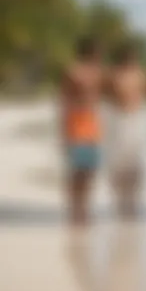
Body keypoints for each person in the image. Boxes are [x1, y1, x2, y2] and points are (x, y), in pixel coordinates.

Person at [60, 37, 105, 226]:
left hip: (92, 122)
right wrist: (64, 130)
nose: (99, 56)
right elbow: (64, 100)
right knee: (77, 170)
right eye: (97, 52)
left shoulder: (99, 73)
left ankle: (84, 208)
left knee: (90, 169)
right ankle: (74, 209)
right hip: (77, 121)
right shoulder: (74, 72)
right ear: (89, 52)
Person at [105, 42, 146, 218]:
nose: (131, 59)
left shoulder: (140, 75)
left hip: (136, 119)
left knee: (135, 163)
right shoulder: (114, 75)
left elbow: (144, 95)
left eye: (133, 57)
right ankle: (120, 200)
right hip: (119, 118)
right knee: (118, 163)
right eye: (128, 56)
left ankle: (132, 200)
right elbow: (108, 95)